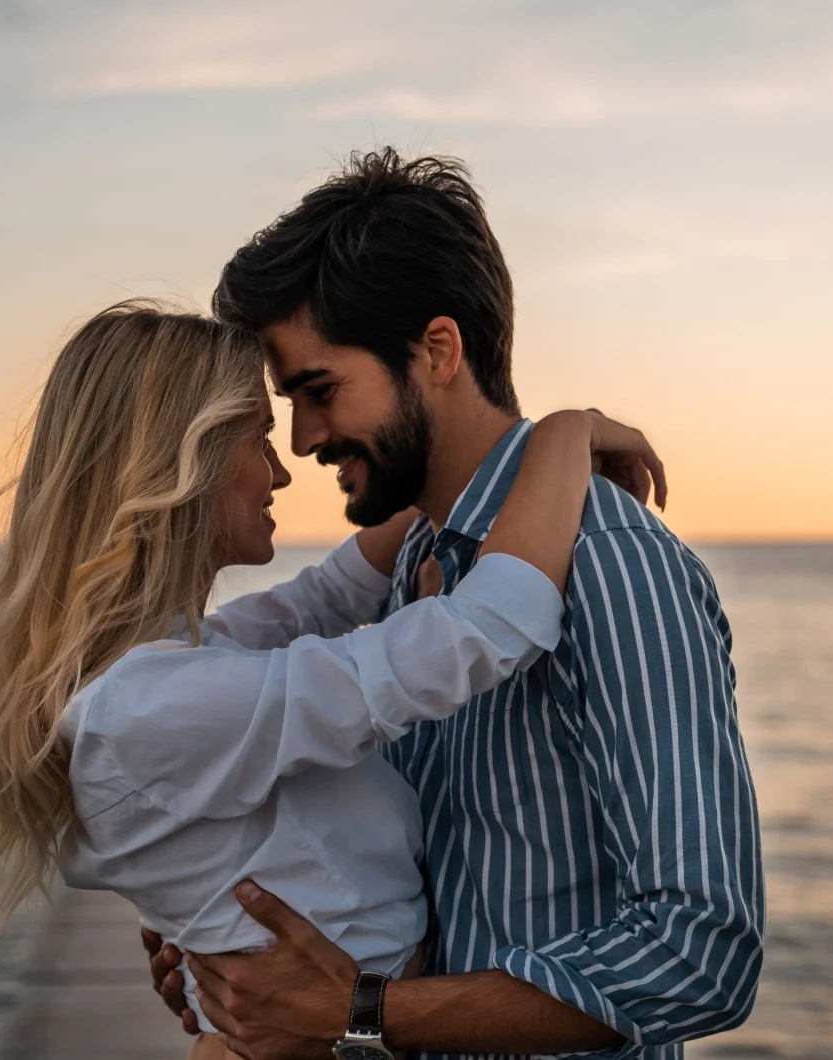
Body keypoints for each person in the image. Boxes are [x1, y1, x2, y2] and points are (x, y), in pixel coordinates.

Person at [145, 150, 764, 1060]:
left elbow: (702, 951)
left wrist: (359, 1010)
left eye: (320, 391)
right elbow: (432, 880)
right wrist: (242, 963)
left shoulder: (614, 565)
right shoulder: (419, 560)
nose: (305, 438)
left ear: (437, 351)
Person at [0, 301, 666, 1059]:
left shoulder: (162, 673)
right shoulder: (155, 707)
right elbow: (485, 630)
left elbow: (327, 595)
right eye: (259, 436)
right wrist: (562, 437)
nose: (283, 469)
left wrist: (466, 464)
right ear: (182, 460)